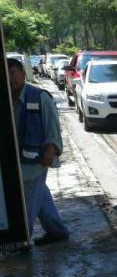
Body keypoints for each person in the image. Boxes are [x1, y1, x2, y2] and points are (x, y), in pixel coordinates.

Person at [8, 58, 70, 246]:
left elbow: (52, 125)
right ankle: (57, 231)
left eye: (13, 73)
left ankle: (22, 238)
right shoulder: (6, 98)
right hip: (18, 158)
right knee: (40, 195)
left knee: (27, 200)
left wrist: (51, 148)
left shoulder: (39, 96)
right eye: (6, 74)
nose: (10, 78)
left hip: (37, 159)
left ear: (23, 74)